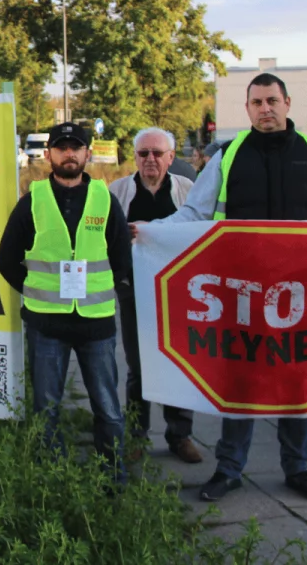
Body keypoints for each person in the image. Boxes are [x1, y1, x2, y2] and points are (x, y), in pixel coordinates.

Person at [136, 73, 307, 502]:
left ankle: (298, 469)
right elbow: (194, 212)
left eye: (272, 100)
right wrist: (151, 232)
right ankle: (229, 469)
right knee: (238, 381)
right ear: (247, 109)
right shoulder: (228, 157)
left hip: (303, 293)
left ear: (287, 103)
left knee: (299, 380)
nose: (265, 109)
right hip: (241, 291)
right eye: (256, 102)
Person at [0, 121, 134, 488]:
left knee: (107, 406)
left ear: (88, 154)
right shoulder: (33, 200)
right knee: (46, 408)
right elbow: (7, 259)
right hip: (47, 326)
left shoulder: (105, 199)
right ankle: (51, 477)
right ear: (49, 155)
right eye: (62, 147)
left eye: (76, 147)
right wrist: (36, 293)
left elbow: (122, 258)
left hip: (97, 324)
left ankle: (113, 474)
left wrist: (108, 287)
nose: (69, 153)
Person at [108, 127, 202, 464]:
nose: (150, 160)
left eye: (157, 154)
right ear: (134, 157)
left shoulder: (189, 191)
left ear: (171, 158)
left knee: (179, 361)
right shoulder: (117, 191)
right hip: (134, 290)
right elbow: (103, 236)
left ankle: (181, 435)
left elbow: (200, 234)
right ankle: (137, 434)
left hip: (179, 292)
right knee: (138, 365)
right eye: (143, 153)